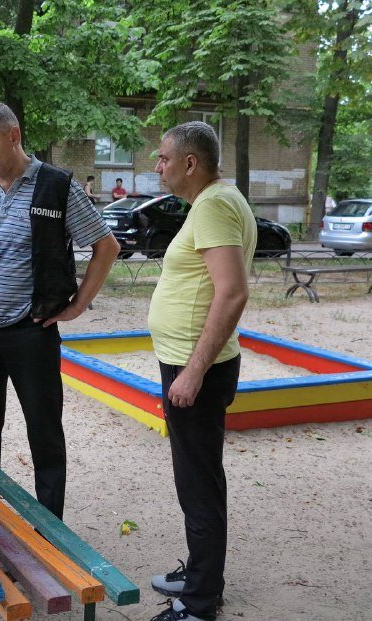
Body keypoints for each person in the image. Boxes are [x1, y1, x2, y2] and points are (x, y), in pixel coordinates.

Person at [0, 102, 120, 520]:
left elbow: (106, 246)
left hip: (31, 331)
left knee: (44, 432)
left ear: (13, 136)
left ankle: (49, 527)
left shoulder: (57, 186)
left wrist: (78, 305)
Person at [147, 121, 256, 621]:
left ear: (190, 163)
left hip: (197, 367)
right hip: (193, 362)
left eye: (164, 158)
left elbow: (232, 292)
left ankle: (198, 602)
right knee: (199, 479)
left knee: (198, 484)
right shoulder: (218, 201)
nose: (158, 166)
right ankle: (200, 574)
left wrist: (192, 372)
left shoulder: (213, 206)